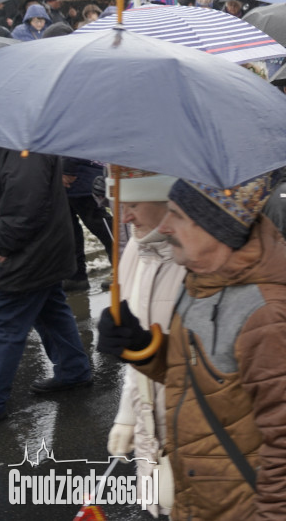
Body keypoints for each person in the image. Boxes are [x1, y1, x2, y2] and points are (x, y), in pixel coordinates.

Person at [96, 172, 286, 519]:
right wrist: (141, 346)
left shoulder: (269, 315)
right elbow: (196, 375)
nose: (168, 227)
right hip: (203, 499)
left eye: (177, 215)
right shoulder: (202, 284)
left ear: (213, 226)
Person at [104, 169, 185, 518]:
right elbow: (141, 359)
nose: (125, 217)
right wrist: (126, 417)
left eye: (133, 204)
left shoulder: (195, 260)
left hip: (191, 435)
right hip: (151, 430)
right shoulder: (135, 252)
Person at [0, 148, 92, 421]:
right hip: (43, 248)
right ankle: (72, 370)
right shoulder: (13, 136)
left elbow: (25, 204)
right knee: (49, 308)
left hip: (27, 251)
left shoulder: (22, 144)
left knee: (6, 321)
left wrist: (3, 245)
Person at [61, 157, 115, 291]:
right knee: (68, 229)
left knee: (101, 225)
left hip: (80, 174)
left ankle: (123, 268)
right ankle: (75, 276)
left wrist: (67, 169)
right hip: (63, 177)